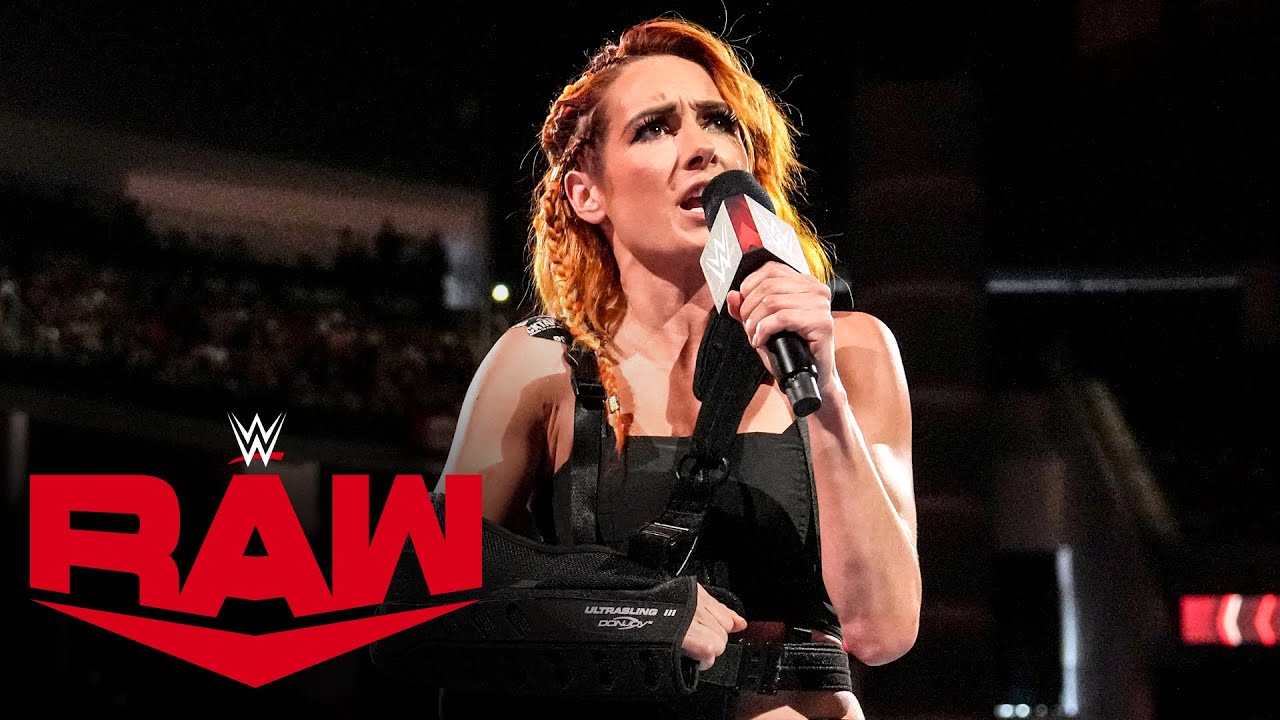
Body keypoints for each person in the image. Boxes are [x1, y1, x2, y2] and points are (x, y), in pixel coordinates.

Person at [435, 16, 919, 720]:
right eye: (654, 128)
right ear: (586, 194)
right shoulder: (541, 364)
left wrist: (825, 397)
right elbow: (424, 581)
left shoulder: (852, 348)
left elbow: (883, 630)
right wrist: (637, 609)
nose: (702, 147)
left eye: (719, 122)